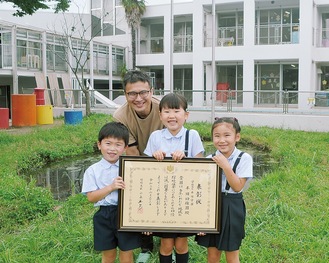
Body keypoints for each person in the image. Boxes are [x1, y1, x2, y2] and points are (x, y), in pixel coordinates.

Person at [144, 93, 205, 263]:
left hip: (184, 197)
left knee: (181, 243)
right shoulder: (155, 137)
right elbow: (145, 171)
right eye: (167, 111)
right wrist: (154, 158)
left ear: (186, 115)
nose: (172, 116)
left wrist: (186, 158)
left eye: (176, 111)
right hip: (163, 199)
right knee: (166, 244)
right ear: (160, 115)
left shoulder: (192, 135)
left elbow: (202, 169)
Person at [113, 69, 164, 258]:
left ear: (151, 91)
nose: (138, 98)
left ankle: (168, 243)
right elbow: (131, 151)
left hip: (164, 158)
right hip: (138, 159)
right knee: (141, 197)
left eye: (143, 92)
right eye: (132, 93)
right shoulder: (121, 116)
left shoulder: (163, 109)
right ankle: (146, 246)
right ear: (125, 95)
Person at [81, 122, 141, 263]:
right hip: (104, 215)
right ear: (99, 144)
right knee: (108, 254)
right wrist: (111, 187)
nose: (112, 149)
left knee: (127, 253)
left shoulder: (130, 167)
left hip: (126, 214)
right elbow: (91, 197)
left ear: (125, 148)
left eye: (118, 144)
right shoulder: (93, 170)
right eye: (108, 143)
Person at [195, 117, 253, 263]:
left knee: (232, 254)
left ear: (237, 137)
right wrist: (201, 221)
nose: (222, 140)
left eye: (227, 135)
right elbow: (202, 190)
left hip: (232, 206)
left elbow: (238, 186)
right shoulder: (209, 158)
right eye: (217, 136)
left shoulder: (244, 158)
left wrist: (226, 166)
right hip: (212, 206)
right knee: (213, 254)